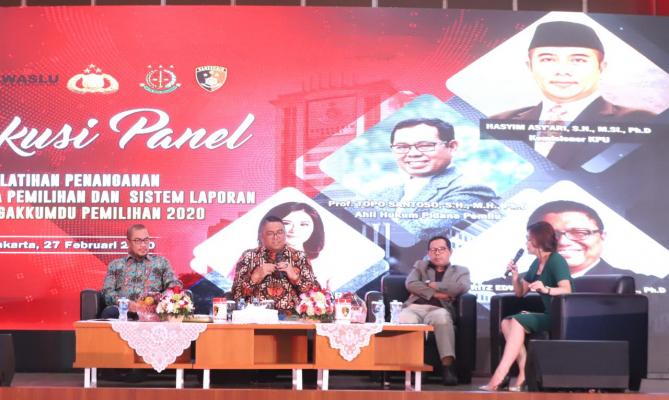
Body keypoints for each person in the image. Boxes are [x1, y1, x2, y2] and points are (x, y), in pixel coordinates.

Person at [491, 21, 655, 168]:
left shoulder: (639, 121)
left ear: (601, 68)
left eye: (578, 60)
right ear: (530, 68)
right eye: (548, 60)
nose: (562, 71)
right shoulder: (500, 122)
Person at [480, 221, 574, 392]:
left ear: (539, 240)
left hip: (561, 316)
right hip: (548, 313)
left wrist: (546, 289)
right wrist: (515, 276)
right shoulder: (536, 263)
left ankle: (500, 375)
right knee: (506, 322)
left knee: (516, 321)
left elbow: (567, 290)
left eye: (529, 239)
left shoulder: (556, 260)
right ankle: (524, 372)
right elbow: (520, 292)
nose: (526, 243)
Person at [369, 118, 496, 241]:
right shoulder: (379, 195)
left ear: (452, 147)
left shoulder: (471, 189)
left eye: (425, 145)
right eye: (402, 147)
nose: (413, 153)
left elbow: (412, 235)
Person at [399, 235, 471, 385]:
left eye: (441, 249)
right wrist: (438, 294)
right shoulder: (421, 265)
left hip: (438, 309)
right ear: (428, 253)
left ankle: (448, 368)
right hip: (414, 308)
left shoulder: (461, 271)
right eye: (433, 250)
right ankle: (415, 368)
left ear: (450, 251)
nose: (437, 253)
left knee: (442, 317)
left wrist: (433, 284)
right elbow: (411, 284)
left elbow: (461, 287)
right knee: (404, 318)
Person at [231, 215, 321, 314]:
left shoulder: (300, 257)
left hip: (292, 318)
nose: (276, 237)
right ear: (262, 237)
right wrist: (255, 277)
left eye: (279, 232)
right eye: (270, 234)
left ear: (285, 234)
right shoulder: (249, 256)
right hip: (257, 318)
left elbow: (316, 295)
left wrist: (295, 278)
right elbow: (236, 295)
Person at [101, 224, 183, 319]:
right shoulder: (116, 265)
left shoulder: (161, 263)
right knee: (109, 312)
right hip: (123, 310)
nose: (143, 245)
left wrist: (157, 301)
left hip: (152, 310)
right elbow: (106, 291)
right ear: (128, 242)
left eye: (146, 240)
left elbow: (174, 285)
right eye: (138, 241)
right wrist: (124, 302)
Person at [259, 202, 329, 287]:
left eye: (304, 224)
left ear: (315, 228)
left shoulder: (325, 264)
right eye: (286, 223)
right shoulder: (254, 258)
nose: (295, 230)